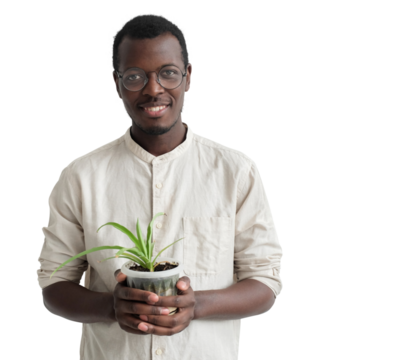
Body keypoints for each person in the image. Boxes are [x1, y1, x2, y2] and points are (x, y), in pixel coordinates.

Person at [37, 12, 283, 359]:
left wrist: (197, 304)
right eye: (135, 76)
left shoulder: (235, 170)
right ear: (117, 83)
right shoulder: (80, 176)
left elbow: (266, 283)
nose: (153, 90)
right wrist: (112, 307)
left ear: (187, 78)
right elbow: (53, 285)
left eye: (167, 73)